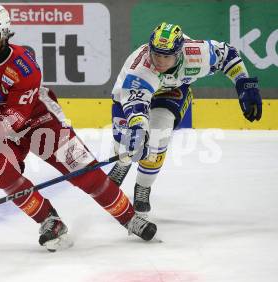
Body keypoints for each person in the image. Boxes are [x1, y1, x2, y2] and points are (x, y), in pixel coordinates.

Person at [0, 4, 157, 252]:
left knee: (85, 173)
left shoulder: (23, 65)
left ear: (5, 33)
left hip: (40, 121)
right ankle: (49, 220)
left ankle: (128, 217)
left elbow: (17, 116)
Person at [108, 22, 262, 214]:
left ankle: (143, 187)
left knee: (158, 139)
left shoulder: (197, 53)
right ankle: (122, 163)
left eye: (166, 56)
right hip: (128, 94)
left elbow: (228, 54)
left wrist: (244, 84)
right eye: (156, 54)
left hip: (171, 91)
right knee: (127, 144)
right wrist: (138, 128)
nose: (160, 61)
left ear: (180, 53)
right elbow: (136, 106)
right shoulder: (140, 70)